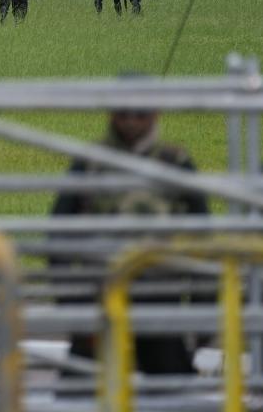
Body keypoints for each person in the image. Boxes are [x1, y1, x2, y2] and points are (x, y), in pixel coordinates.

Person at [50, 104, 209, 375]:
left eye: (140, 114)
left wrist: (202, 306)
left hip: (159, 298)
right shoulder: (91, 163)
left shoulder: (174, 162)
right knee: (79, 390)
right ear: (111, 115)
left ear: (155, 115)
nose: (132, 122)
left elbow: (202, 237)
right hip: (101, 296)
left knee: (174, 390)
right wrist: (71, 304)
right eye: (123, 114)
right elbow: (59, 234)